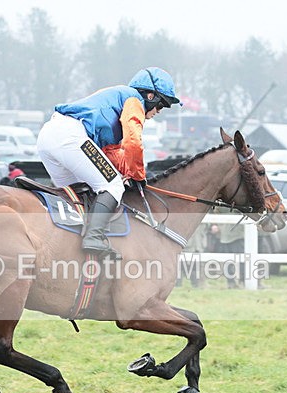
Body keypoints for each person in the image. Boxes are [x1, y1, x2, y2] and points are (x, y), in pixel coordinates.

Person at [37, 67, 180, 259]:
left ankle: (65, 248)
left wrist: (128, 173)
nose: (159, 112)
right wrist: (138, 175)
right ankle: (93, 238)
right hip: (71, 137)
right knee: (112, 186)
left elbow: (111, 153)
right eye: (161, 105)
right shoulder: (134, 101)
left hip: (49, 136)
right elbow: (133, 142)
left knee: (77, 195)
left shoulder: (116, 103)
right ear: (150, 96)